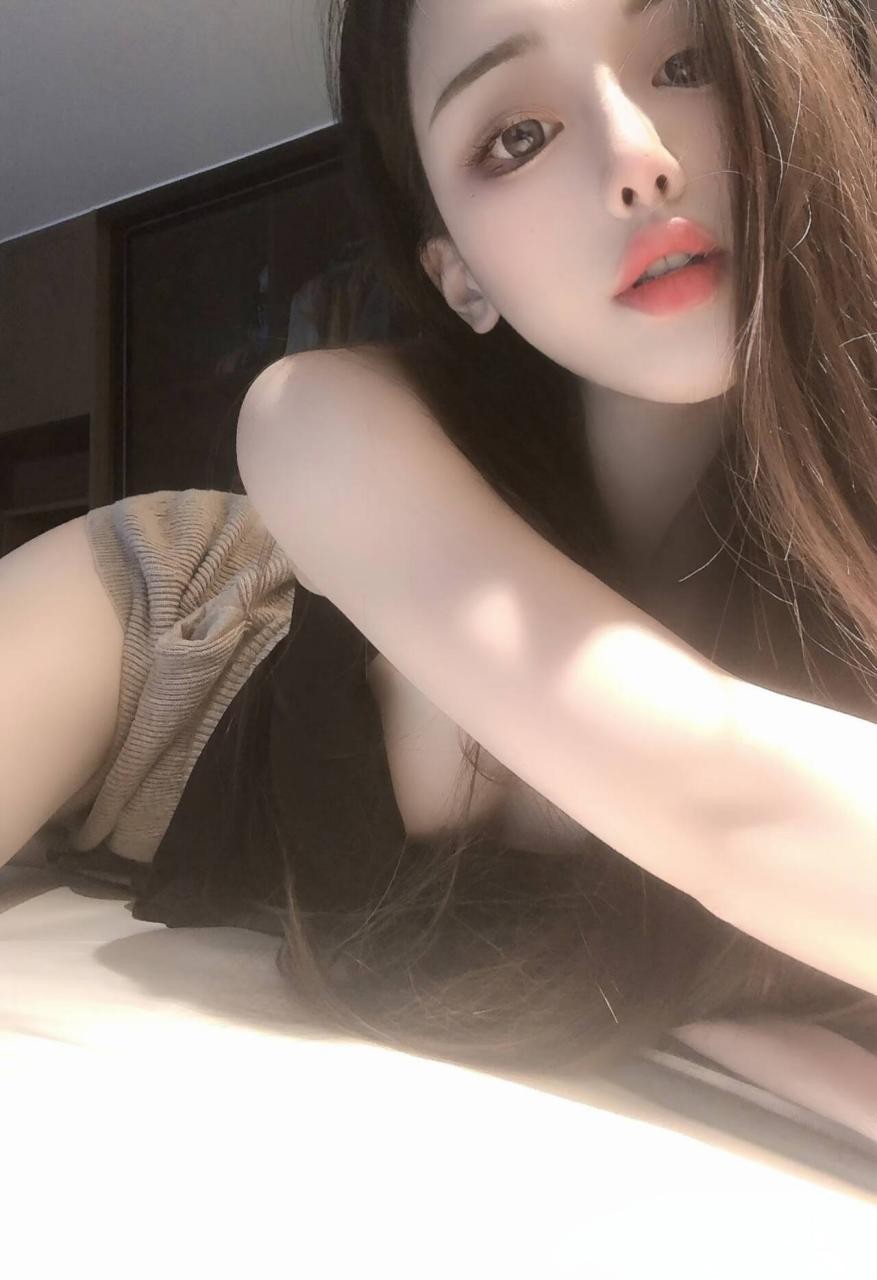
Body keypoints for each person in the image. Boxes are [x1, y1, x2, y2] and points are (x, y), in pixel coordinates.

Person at [2, 0, 876, 1083]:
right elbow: (727, 800)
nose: (637, 161)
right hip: (177, 634)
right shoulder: (314, 418)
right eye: (518, 136)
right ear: (458, 273)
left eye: (686, 60)